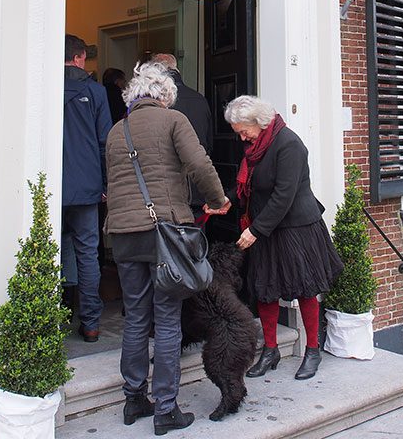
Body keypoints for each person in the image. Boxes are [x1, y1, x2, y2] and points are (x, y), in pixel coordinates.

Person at [105, 61, 230, 434]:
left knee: (136, 317)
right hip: (164, 233)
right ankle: (165, 409)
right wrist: (218, 199)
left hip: (124, 235)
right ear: (165, 95)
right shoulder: (173, 120)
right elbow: (200, 164)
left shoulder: (116, 131)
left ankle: (133, 400)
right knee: (167, 318)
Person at [213, 95, 344, 381]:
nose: (240, 137)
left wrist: (256, 230)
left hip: (296, 227)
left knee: (305, 289)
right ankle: (270, 350)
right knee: (264, 287)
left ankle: (312, 349)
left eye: (242, 130)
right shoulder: (255, 145)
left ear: (258, 122)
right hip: (266, 226)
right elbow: (249, 185)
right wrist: (227, 200)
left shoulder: (289, 144)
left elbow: (283, 195)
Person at [63, 34, 113, 342]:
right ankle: (91, 324)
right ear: (81, 57)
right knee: (87, 254)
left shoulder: (44, 85)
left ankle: (49, 318)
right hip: (87, 187)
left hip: (50, 186)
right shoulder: (96, 92)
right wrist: (106, 183)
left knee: (48, 250)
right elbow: (105, 142)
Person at [152, 53, 213, 219]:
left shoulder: (154, 104)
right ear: (176, 70)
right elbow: (209, 145)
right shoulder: (200, 100)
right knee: (196, 240)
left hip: (165, 190)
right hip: (197, 187)